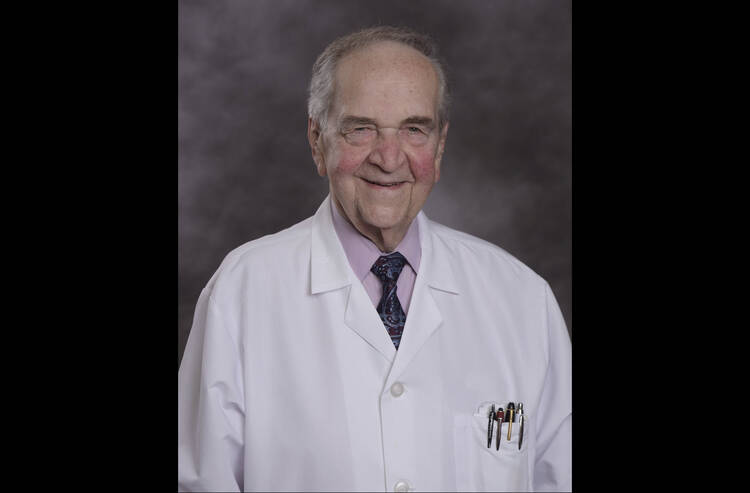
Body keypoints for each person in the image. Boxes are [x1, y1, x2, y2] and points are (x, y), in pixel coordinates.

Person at [178, 26, 571, 492]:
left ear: (439, 146)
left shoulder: (521, 298)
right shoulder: (243, 292)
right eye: (361, 128)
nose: (389, 157)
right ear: (317, 139)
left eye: (413, 129)